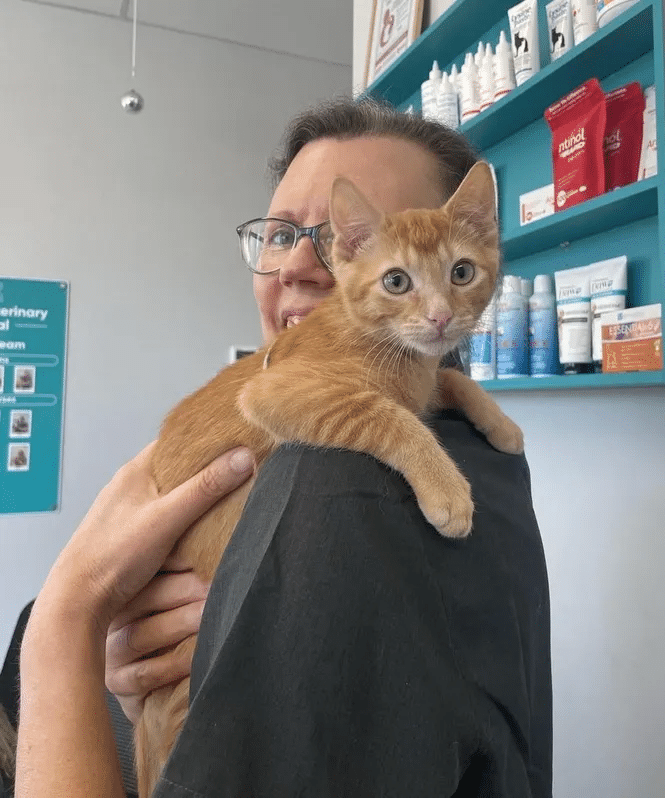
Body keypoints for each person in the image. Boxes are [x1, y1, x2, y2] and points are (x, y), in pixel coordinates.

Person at [16, 96, 552, 797]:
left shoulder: (340, 483)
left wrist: (66, 625)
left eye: (349, 233)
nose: (298, 264)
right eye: (278, 233)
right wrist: (153, 676)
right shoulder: (474, 461)